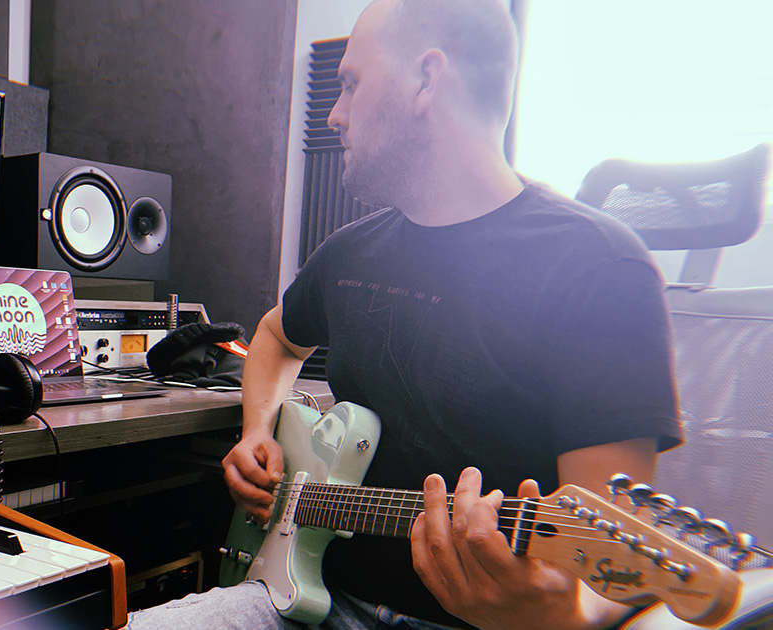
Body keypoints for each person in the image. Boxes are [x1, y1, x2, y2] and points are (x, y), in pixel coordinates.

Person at [126, 0, 682, 628]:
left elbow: (611, 568)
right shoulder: (349, 251)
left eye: (350, 84)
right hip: (305, 598)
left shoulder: (601, 271)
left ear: (426, 78)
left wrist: (560, 617)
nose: (333, 113)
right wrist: (257, 431)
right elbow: (276, 337)